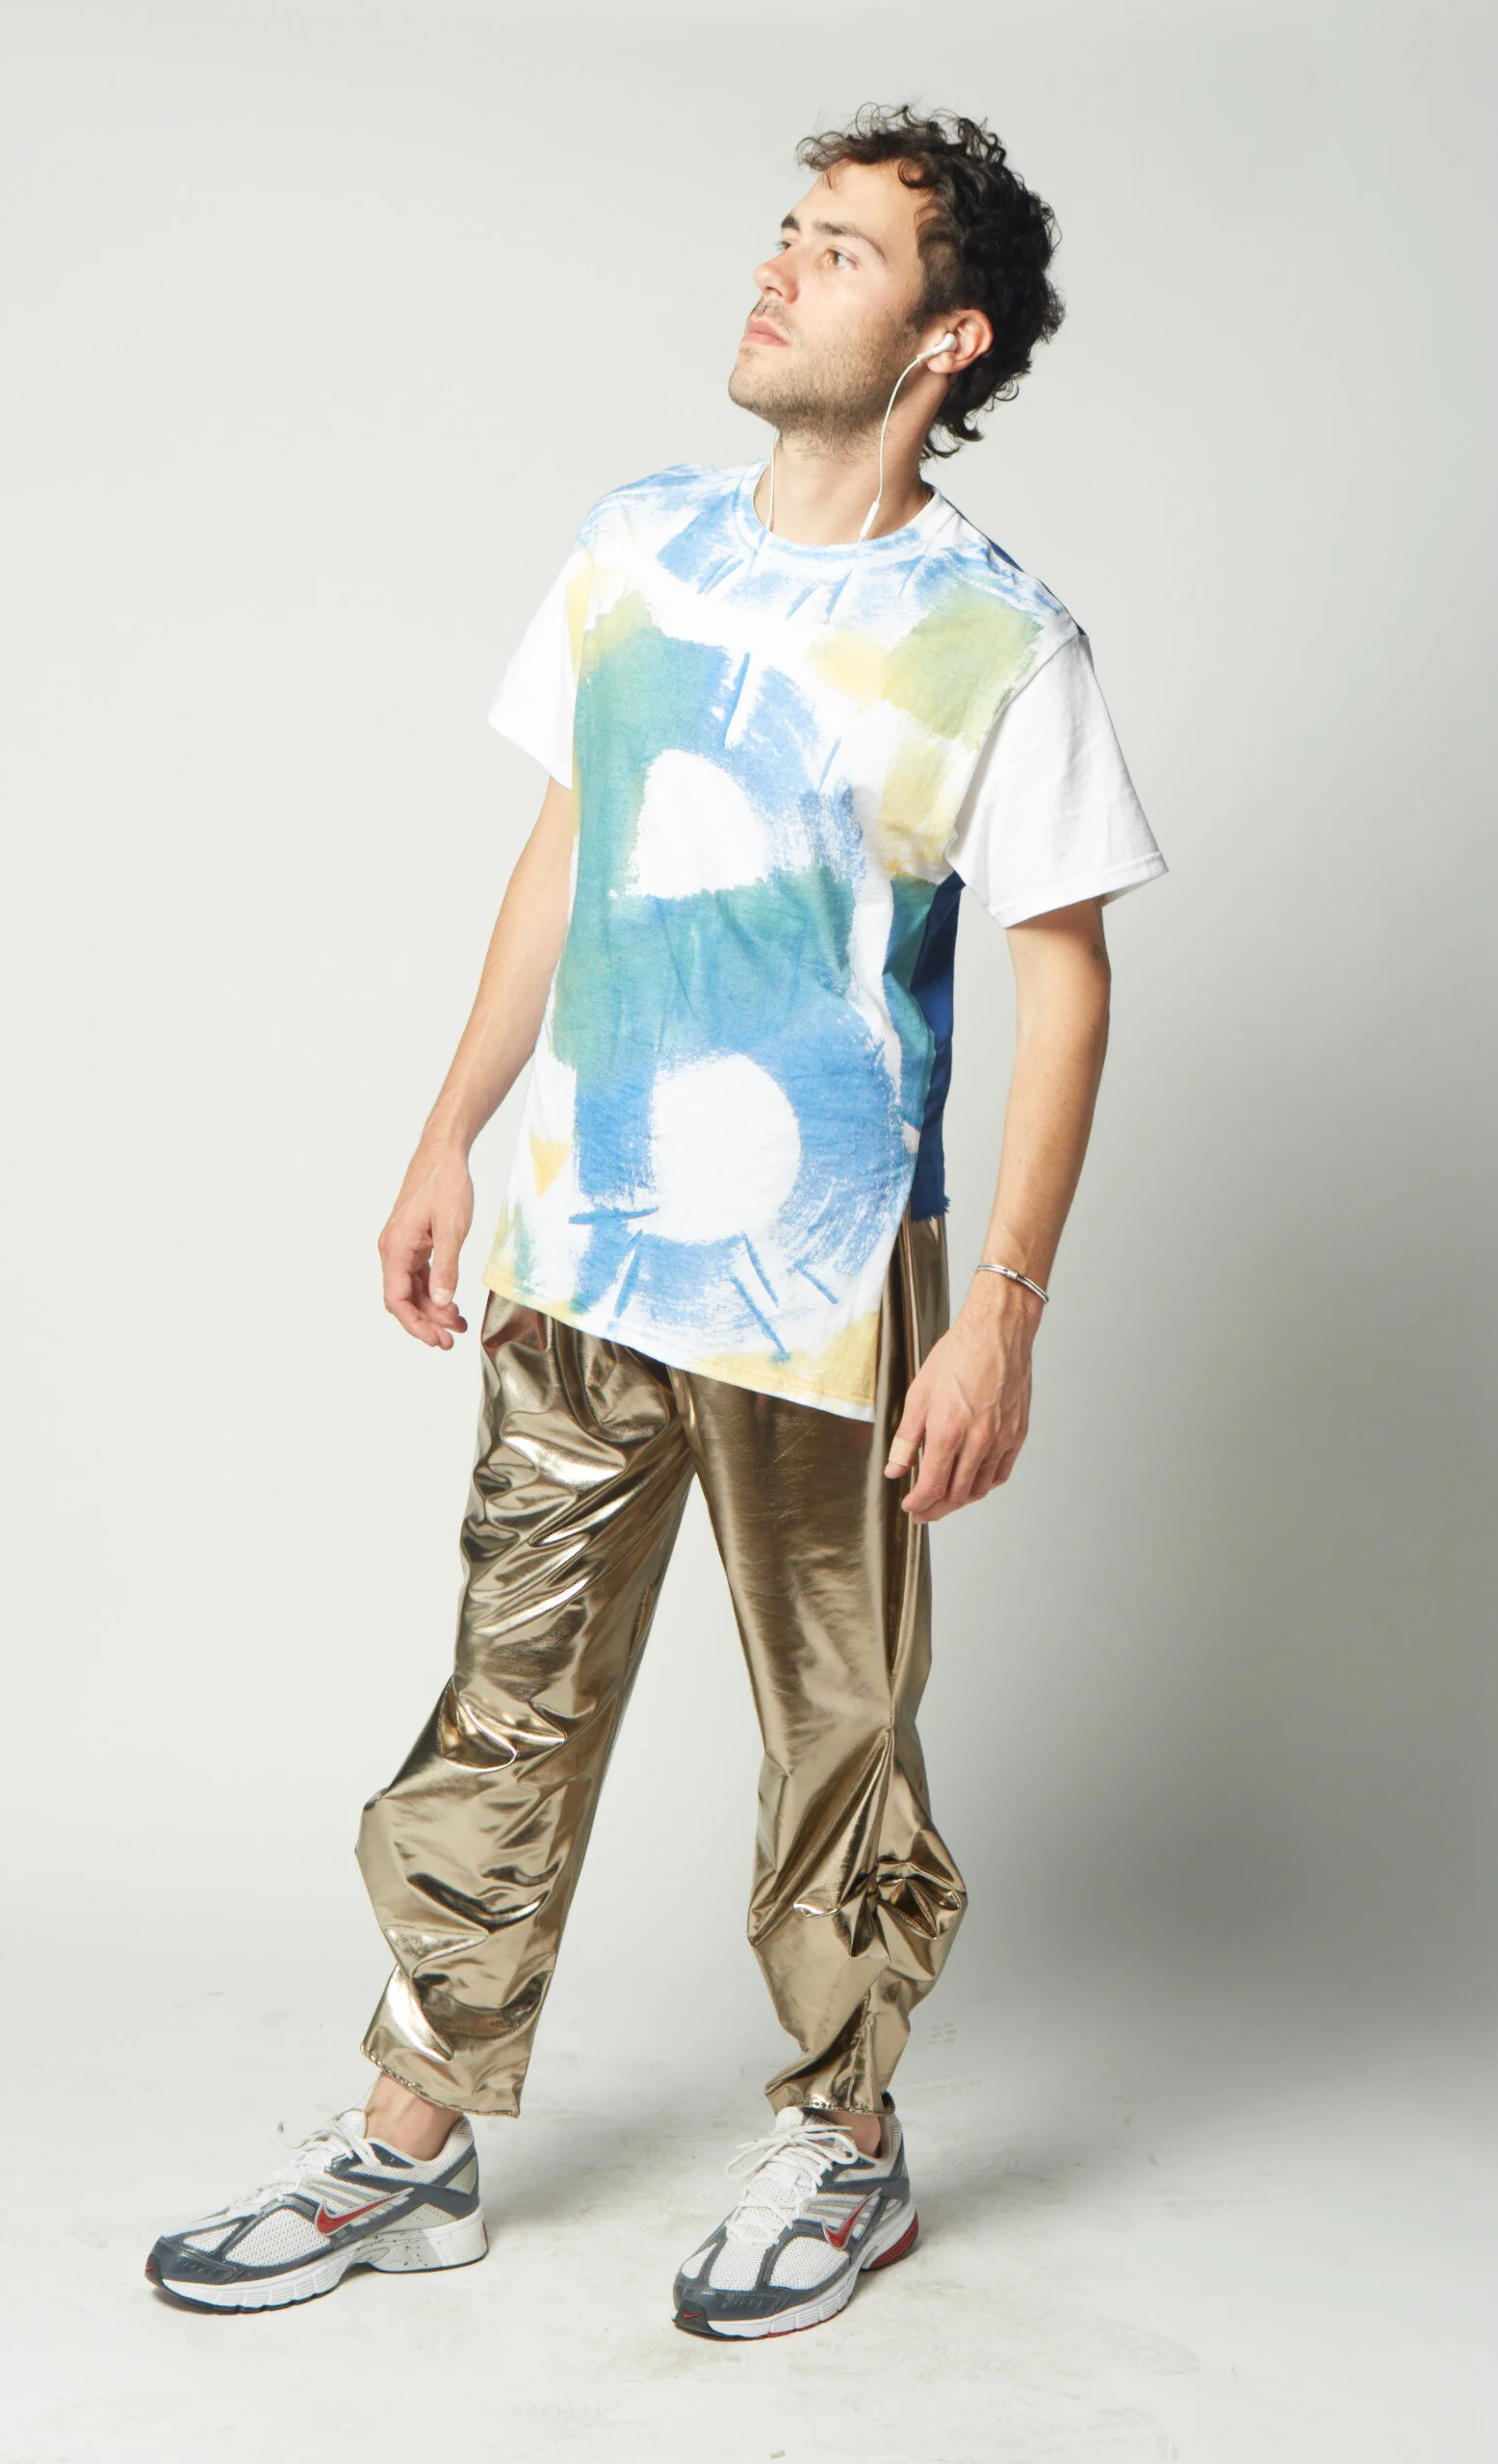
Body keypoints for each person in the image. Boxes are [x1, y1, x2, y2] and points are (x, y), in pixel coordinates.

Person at [146, 102, 1167, 2339]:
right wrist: (450, 1131)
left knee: (836, 1729)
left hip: (829, 1289)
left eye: (842, 248)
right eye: (785, 230)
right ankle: (411, 2135)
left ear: (948, 337)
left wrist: (1000, 1308)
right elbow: (560, 849)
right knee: (505, 1693)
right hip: (578, 1252)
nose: (780, 268)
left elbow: (1064, 978)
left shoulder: (996, 636)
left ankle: (845, 2138)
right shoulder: (634, 547)